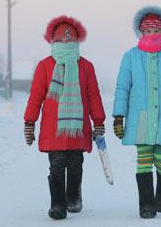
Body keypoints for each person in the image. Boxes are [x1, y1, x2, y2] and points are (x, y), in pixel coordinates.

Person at [23, 15, 105, 220]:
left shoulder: (86, 66)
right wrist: (29, 122)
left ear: (77, 42)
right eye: (60, 40)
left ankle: (73, 197)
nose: (65, 43)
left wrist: (99, 122)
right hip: (53, 128)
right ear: (52, 41)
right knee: (57, 166)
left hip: (78, 128)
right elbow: (35, 96)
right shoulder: (45, 66)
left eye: (70, 40)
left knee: (76, 165)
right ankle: (57, 204)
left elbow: (93, 95)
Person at [112, 6, 161, 219]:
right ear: (141, 32)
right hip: (141, 116)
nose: (152, 34)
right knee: (144, 159)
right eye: (148, 31)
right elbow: (123, 88)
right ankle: (146, 204)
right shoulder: (130, 56)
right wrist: (119, 116)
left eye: (156, 30)